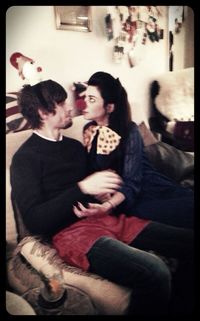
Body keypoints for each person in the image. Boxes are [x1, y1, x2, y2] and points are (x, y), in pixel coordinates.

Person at [10, 80, 194, 316]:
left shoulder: (75, 147)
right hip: (72, 234)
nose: (71, 108)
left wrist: (103, 195)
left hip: (107, 219)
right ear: (43, 112)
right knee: (155, 271)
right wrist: (82, 187)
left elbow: (93, 189)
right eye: (61, 103)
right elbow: (36, 221)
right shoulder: (25, 160)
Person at [74, 71, 194, 229]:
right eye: (84, 97)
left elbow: (132, 182)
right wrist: (99, 192)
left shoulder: (130, 131)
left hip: (145, 190)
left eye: (91, 99)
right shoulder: (88, 130)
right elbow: (93, 168)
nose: (83, 104)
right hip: (119, 200)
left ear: (109, 107)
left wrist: (108, 205)